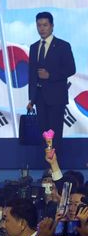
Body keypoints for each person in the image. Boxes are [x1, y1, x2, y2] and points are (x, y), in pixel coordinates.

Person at [27, 11, 76, 148]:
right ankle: (47, 161)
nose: (42, 28)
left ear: (52, 26)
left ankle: (55, 162)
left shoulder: (63, 46)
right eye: (39, 25)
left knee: (55, 134)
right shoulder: (33, 47)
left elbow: (71, 69)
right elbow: (32, 75)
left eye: (45, 25)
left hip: (56, 98)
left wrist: (50, 75)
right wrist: (31, 99)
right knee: (43, 134)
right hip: (39, 98)